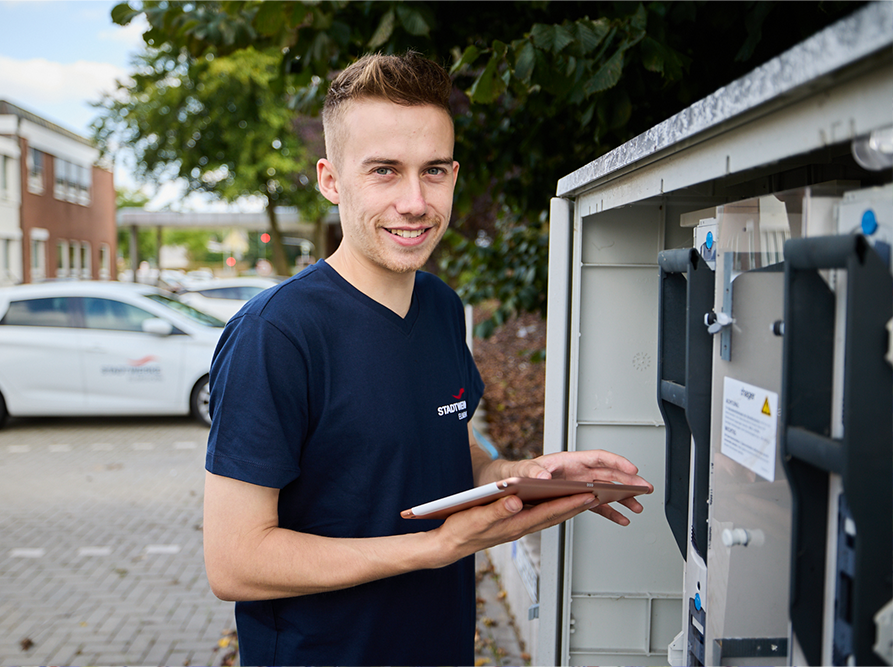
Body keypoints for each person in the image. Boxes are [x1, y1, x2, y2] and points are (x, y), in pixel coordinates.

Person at [203, 51, 652, 666]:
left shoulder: (442, 308)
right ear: (331, 180)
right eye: (384, 171)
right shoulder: (276, 334)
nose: (415, 202)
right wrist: (431, 549)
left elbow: (443, 453)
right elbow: (236, 561)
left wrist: (525, 476)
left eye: (433, 171)